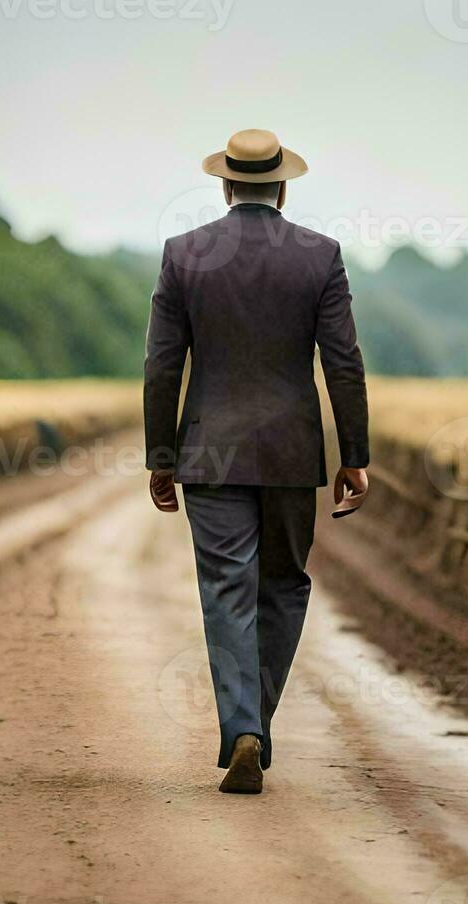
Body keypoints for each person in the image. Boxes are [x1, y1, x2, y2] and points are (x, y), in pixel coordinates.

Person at [143, 128, 371, 794]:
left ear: (224, 183)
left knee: (225, 591)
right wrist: (353, 455)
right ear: (282, 185)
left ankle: (245, 726)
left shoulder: (183, 254)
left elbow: (161, 363)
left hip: (209, 454)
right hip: (293, 454)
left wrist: (162, 455)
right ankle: (253, 722)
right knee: (284, 585)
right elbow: (343, 361)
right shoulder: (319, 256)